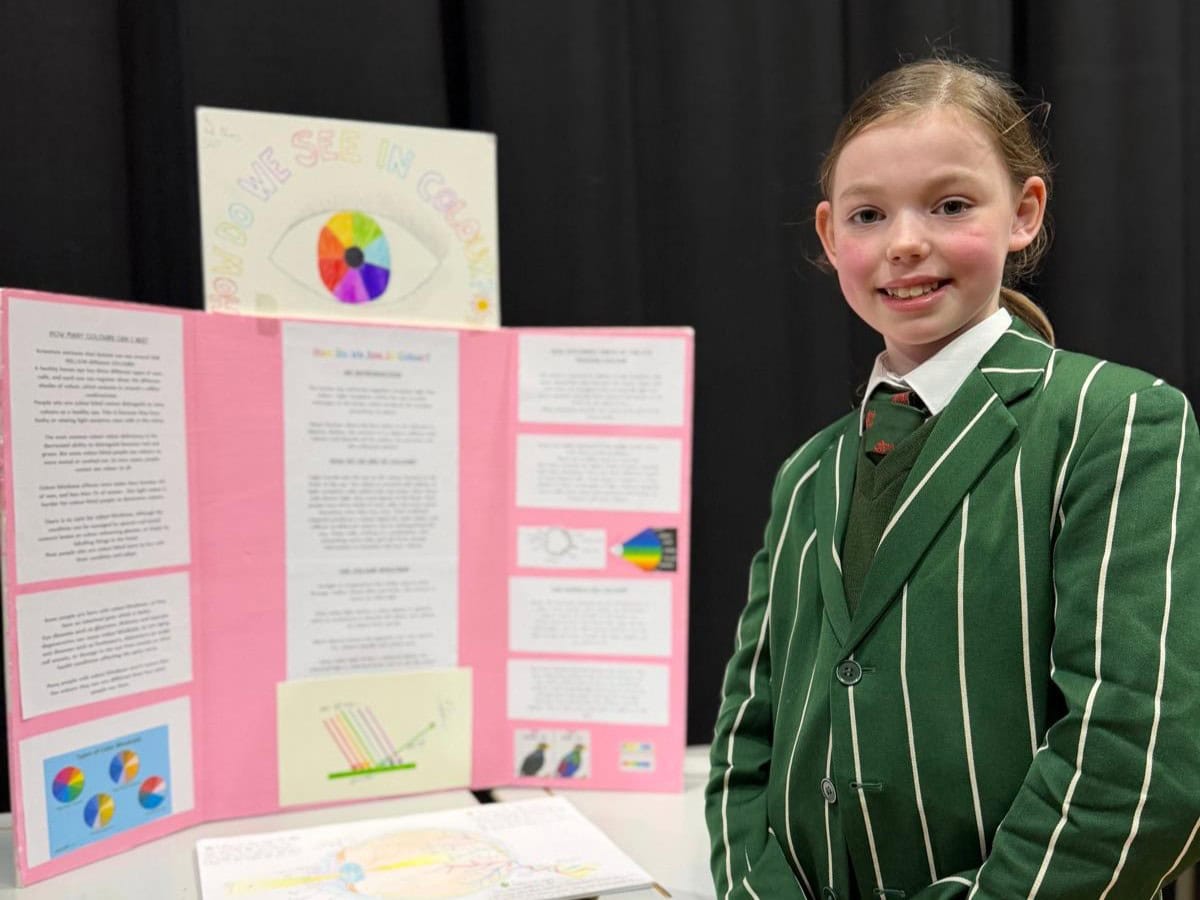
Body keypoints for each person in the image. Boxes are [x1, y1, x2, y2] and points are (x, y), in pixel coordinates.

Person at [705, 57, 1200, 900]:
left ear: (1024, 213)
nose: (904, 242)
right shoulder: (806, 474)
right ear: (831, 238)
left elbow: (1141, 751)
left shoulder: (1116, 421)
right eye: (868, 214)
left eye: (950, 205)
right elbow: (744, 748)